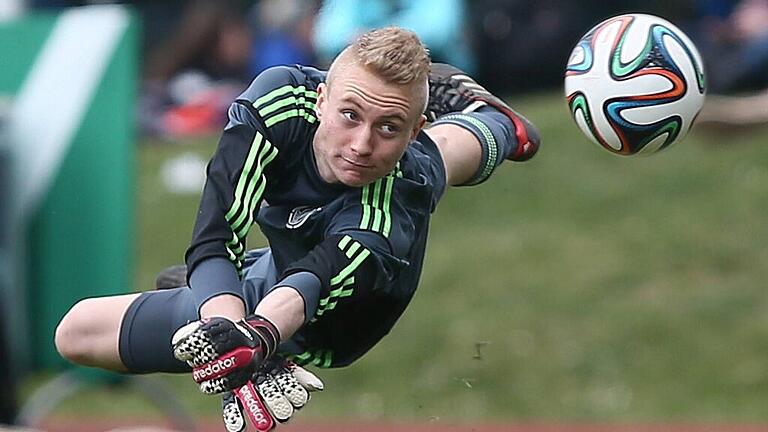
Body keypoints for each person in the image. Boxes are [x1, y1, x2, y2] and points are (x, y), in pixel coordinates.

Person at [54, 26, 540, 430]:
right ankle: (487, 121)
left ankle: (497, 124)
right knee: (75, 332)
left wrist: (257, 338)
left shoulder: (389, 208)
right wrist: (227, 327)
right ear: (321, 97)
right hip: (273, 271)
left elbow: (308, 286)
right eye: (350, 115)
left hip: (339, 320)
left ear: (411, 129)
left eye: (389, 127)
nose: (362, 144)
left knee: (436, 161)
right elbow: (215, 238)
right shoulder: (276, 103)